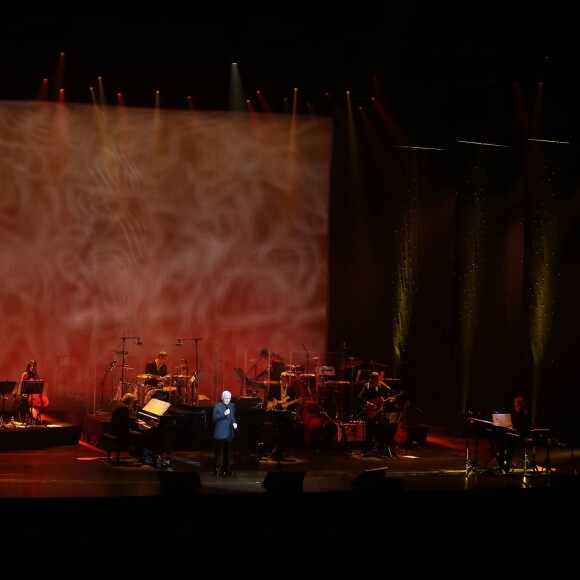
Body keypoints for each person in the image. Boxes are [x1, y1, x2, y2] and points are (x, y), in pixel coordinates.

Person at [357, 371, 397, 456]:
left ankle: (380, 448)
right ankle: (368, 448)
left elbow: (386, 397)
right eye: (377, 378)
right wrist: (369, 404)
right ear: (373, 379)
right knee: (370, 431)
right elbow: (359, 397)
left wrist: (390, 400)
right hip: (370, 411)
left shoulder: (381, 386)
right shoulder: (367, 386)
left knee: (381, 428)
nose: (378, 380)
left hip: (380, 411)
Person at [109, 392, 150, 463]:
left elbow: (125, 419)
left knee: (139, 433)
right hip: (119, 432)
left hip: (114, 429)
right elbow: (126, 423)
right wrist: (135, 426)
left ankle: (136, 454)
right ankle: (142, 457)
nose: (133, 403)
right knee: (141, 436)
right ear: (129, 401)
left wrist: (136, 421)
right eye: (133, 401)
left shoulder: (120, 405)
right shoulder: (124, 408)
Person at [496, 395, 533, 474]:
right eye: (515, 406)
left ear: (521, 405)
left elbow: (525, 429)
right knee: (501, 443)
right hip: (515, 434)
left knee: (509, 444)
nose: (515, 407)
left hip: (522, 435)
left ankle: (506, 466)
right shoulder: (516, 413)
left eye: (516, 406)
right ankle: (502, 465)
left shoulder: (526, 415)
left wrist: (514, 429)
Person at [212, 390, 237, 476]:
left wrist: (234, 422)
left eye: (229, 398)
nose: (228, 400)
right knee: (219, 453)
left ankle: (226, 470)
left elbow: (233, 416)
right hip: (220, 433)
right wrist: (224, 414)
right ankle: (217, 470)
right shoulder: (217, 406)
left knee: (227, 453)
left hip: (229, 432)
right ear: (222, 398)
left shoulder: (232, 405)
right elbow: (214, 418)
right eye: (226, 398)